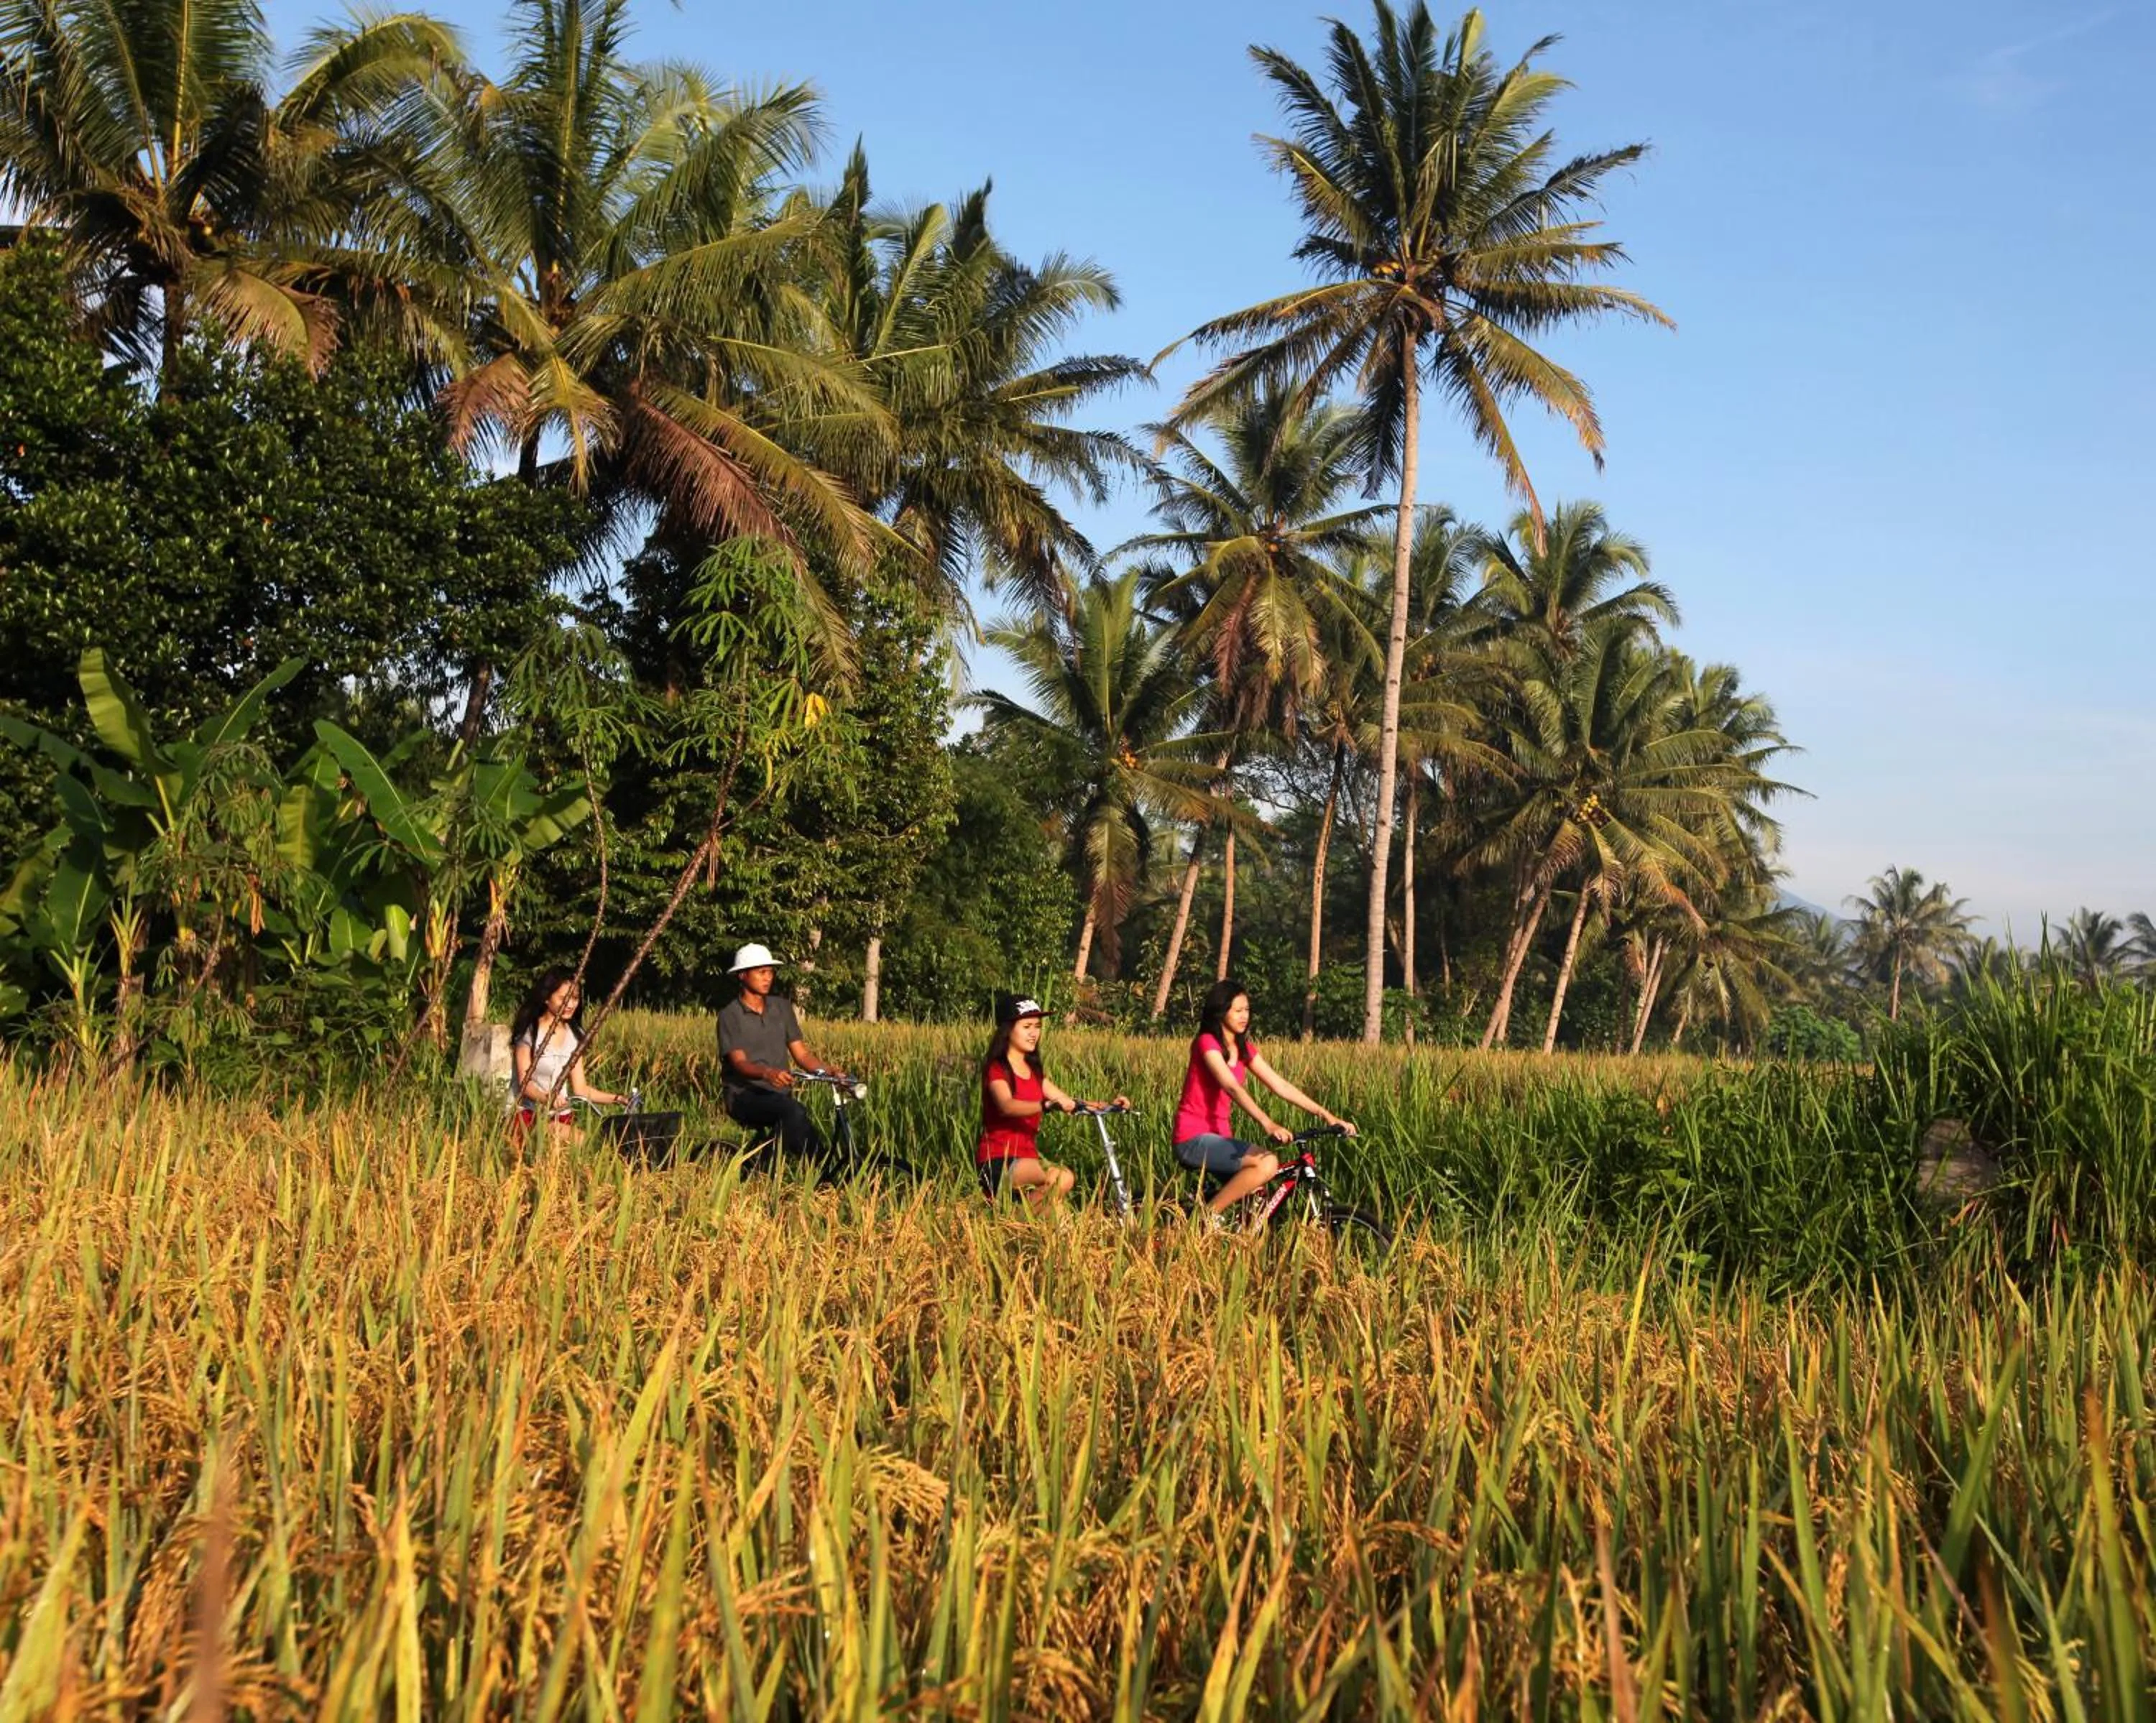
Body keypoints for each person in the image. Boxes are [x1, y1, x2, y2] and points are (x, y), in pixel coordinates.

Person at [1173, 979, 1355, 1216]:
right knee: (1267, 1162)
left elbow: (1280, 1085)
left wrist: (1327, 1115)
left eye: (1247, 1010)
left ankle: (1235, 1237)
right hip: (1192, 1138)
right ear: (1220, 1012)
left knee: (1257, 1201)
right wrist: (1267, 1123)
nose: (1244, 1016)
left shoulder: (1244, 1049)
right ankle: (1203, 1219)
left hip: (1221, 1138)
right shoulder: (1206, 1043)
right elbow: (1231, 1087)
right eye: (1238, 1010)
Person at [977, 993, 1128, 1206]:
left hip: (1028, 1160)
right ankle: (1011, 1217)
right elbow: (1006, 1105)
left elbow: (1067, 1101)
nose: (1034, 1033)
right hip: (997, 1160)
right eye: (1027, 1027)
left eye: (1037, 1027)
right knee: (1061, 1177)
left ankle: (1011, 1219)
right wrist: (1046, 1105)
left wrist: (1108, 1105)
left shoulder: (1035, 1073)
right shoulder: (997, 1069)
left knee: (1057, 1215)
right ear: (1008, 1030)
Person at [716, 943, 850, 1169]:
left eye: (770, 972)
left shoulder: (782, 1008)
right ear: (742, 975)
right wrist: (767, 1073)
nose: (768, 978)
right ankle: (759, 1170)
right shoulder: (730, 1015)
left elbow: (802, 1055)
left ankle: (821, 1178)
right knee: (794, 1112)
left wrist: (830, 1072)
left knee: (814, 1150)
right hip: (743, 1096)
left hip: (779, 1096)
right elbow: (739, 1063)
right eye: (761, 972)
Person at [507, 966, 625, 1147]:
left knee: (589, 1145)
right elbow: (525, 1084)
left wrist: (617, 1099)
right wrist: (547, 1098)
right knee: (582, 1140)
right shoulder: (531, 1033)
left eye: (575, 998)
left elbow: (581, 1089)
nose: (570, 1004)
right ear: (547, 998)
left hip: (562, 1117)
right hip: (529, 1115)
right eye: (563, 999)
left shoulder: (575, 1036)